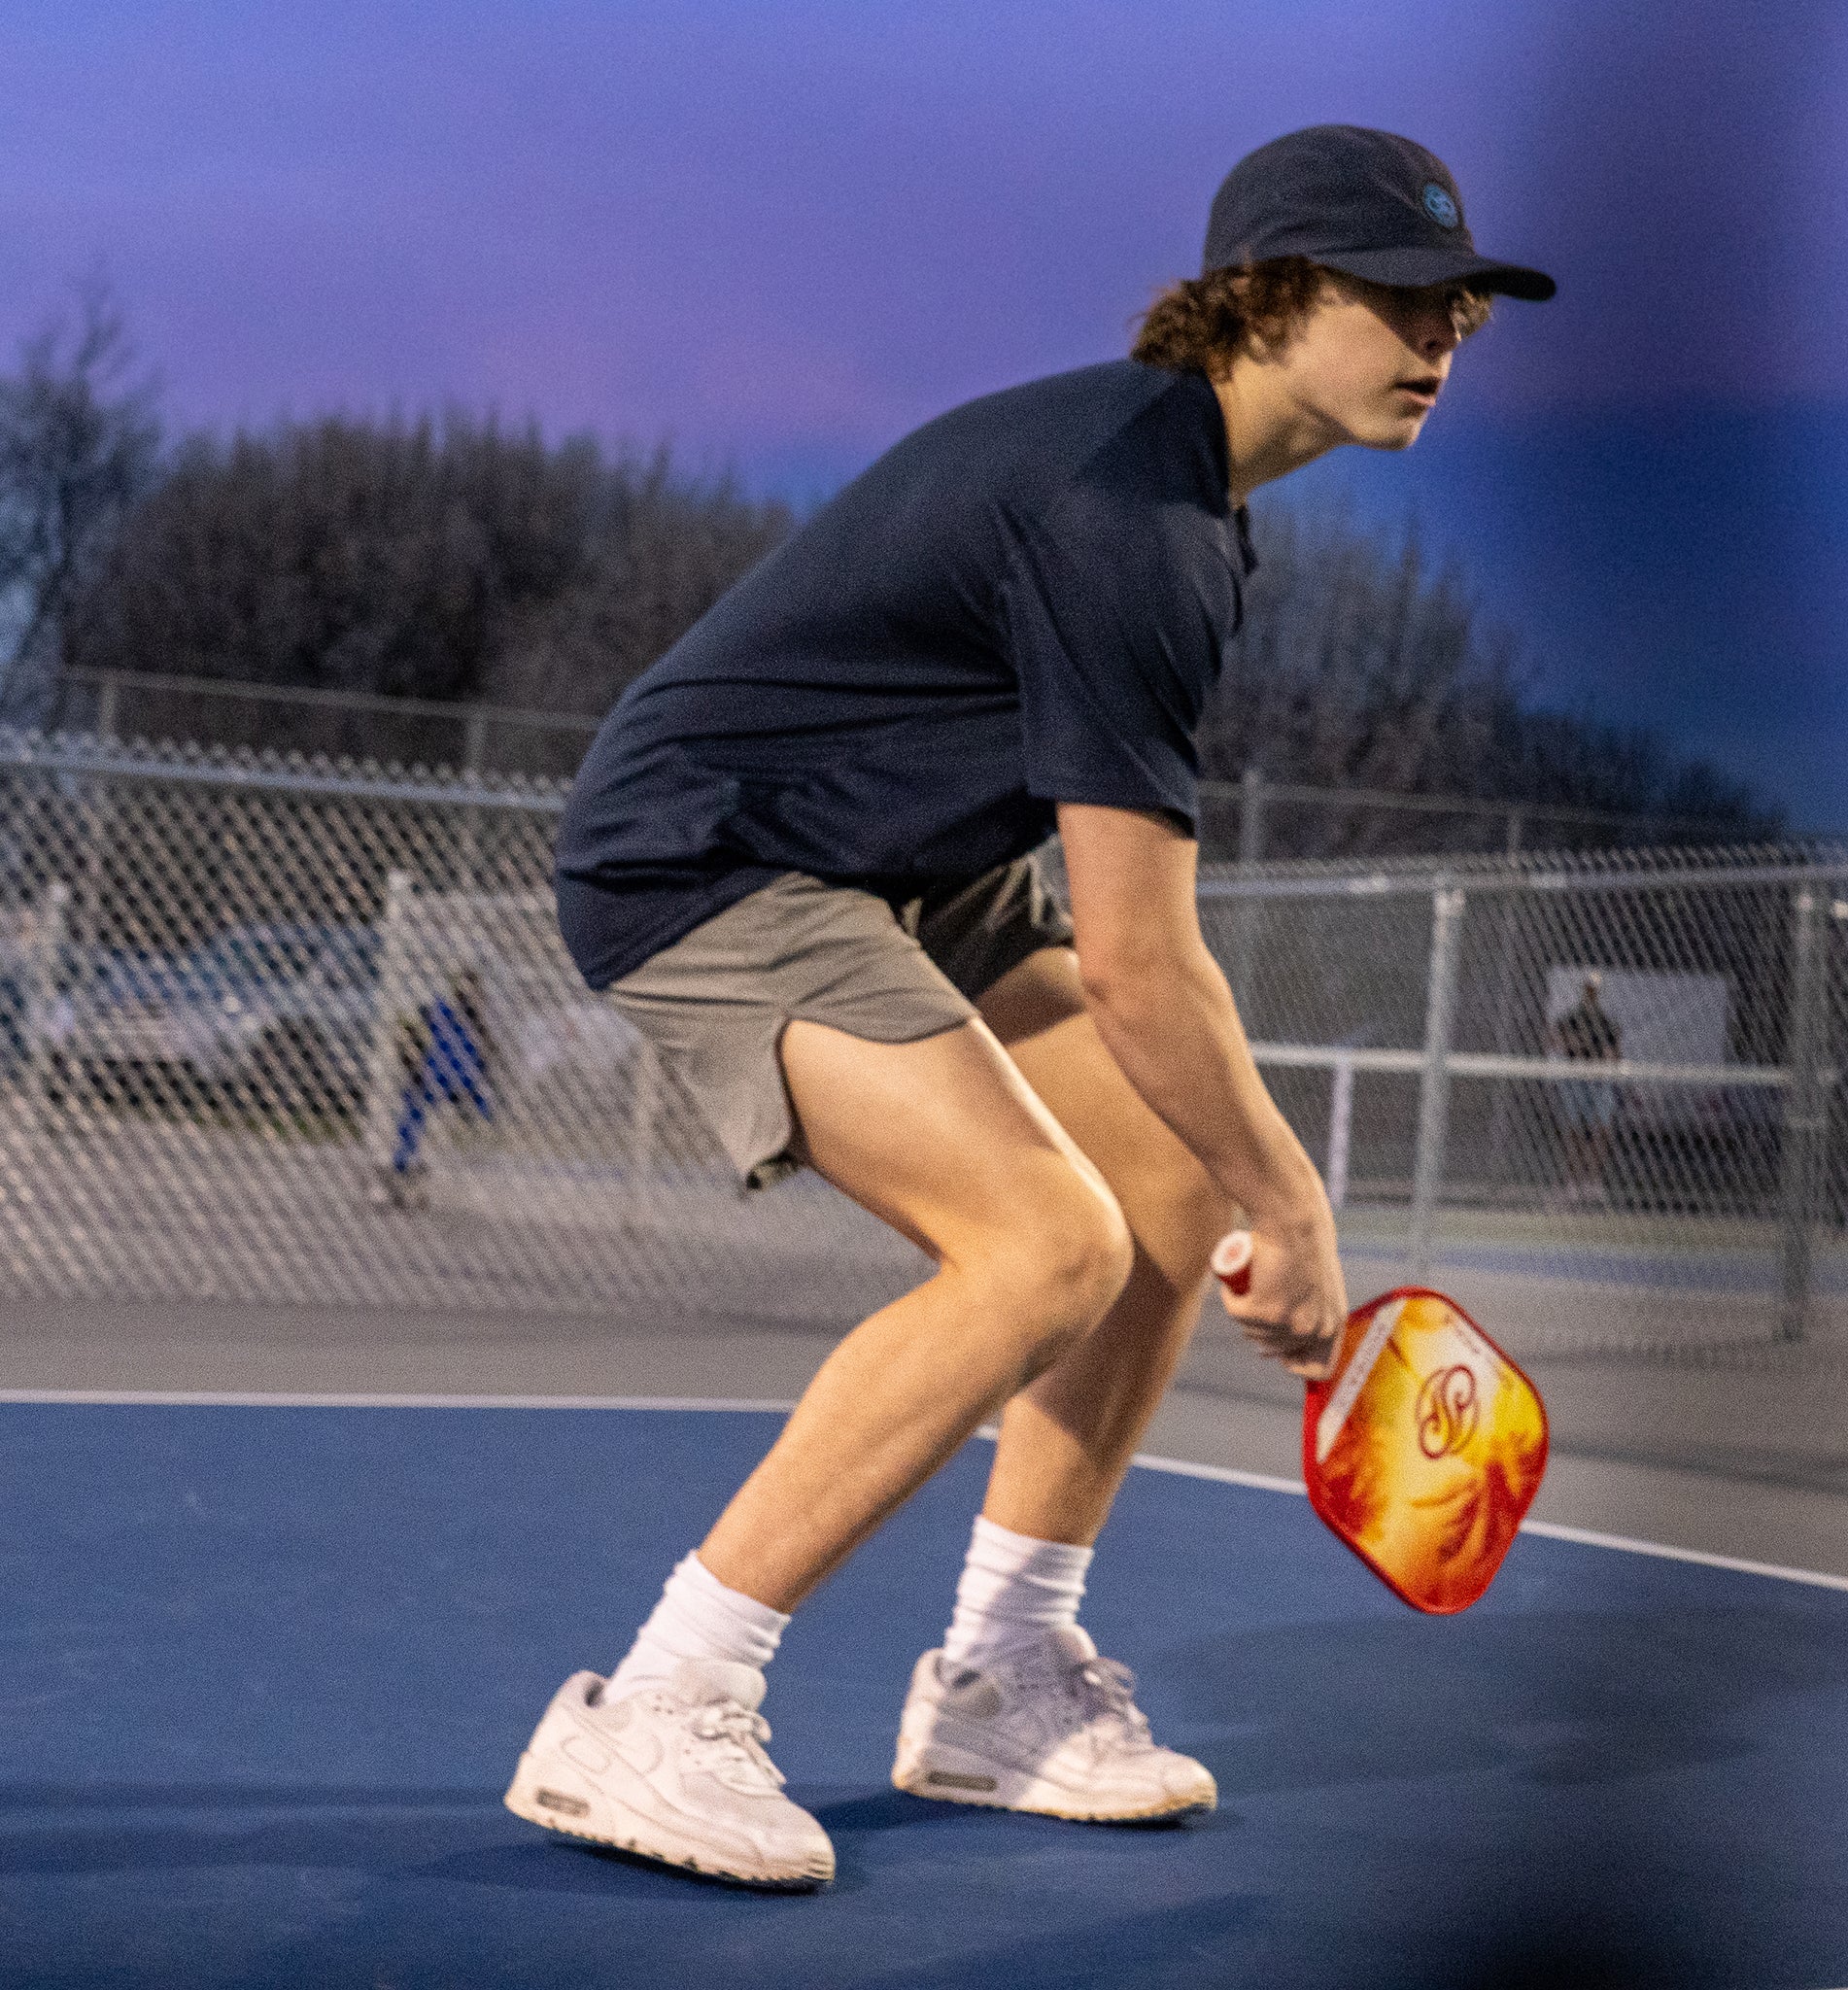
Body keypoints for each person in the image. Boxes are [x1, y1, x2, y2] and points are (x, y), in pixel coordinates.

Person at [507, 124, 1555, 1886]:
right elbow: (1143, 956)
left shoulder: (1194, 518)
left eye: (1457, 303)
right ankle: (655, 1706)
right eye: (1396, 297)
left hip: (905, 862)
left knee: (1160, 1187)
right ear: (1270, 295)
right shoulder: (1123, 510)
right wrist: (1299, 1198)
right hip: (714, 854)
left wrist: (1242, 1178)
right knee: (1041, 1244)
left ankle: (997, 1680)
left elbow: (1124, 946)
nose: (1439, 334)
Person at [373, 969, 494, 1211]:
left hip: (459, 1088)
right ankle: (401, 1172)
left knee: (469, 1119)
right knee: (411, 1119)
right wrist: (413, 1063)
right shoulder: (438, 1012)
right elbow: (408, 1036)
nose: (469, 997)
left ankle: (417, 1178)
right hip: (431, 1082)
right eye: (464, 991)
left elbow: (484, 1060)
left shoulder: (476, 1026)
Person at [1549, 972, 1622, 1206]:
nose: (1591, 993)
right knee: (1574, 1131)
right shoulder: (1571, 1018)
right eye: (1588, 988)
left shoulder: (1607, 1021)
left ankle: (1592, 1183)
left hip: (1599, 1081)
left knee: (1601, 1131)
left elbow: (1613, 1054)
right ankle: (1572, 1183)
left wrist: (1589, 1048)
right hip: (1575, 1079)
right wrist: (1584, 1046)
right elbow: (1560, 1042)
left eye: (1595, 989)